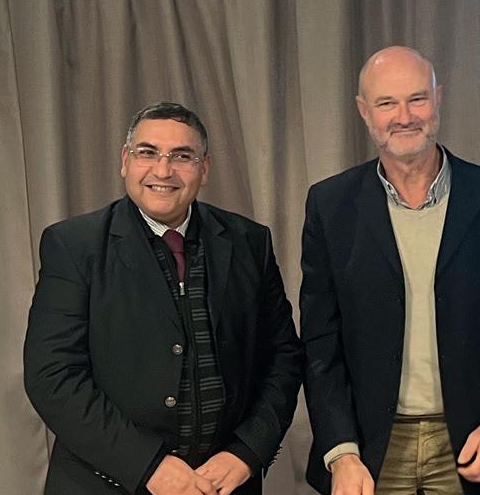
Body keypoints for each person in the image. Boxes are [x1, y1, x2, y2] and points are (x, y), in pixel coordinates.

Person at [300, 45, 480, 495]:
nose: (404, 116)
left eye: (417, 99)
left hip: (473, 445)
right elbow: (321, 341)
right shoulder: (330, 205)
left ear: (438, 99)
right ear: (364, 111)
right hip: (370, 451)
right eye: (386, 103)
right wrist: (341, 450)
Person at [24, 101, 304, 495]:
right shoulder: (74, 246)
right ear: (125, 161)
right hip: (109, 483)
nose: (163, 170)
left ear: (204, 169)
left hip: (222, 484)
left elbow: (283, 358)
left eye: (182, 156)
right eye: (148, 152)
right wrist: (147, 465)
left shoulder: (249, 242)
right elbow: (52, 376)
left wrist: (246, 452)